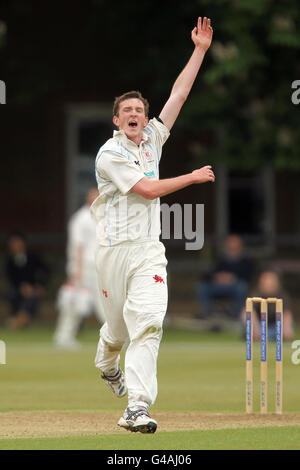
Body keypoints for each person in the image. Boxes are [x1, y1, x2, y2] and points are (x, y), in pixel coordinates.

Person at [90, 17, 214, 434]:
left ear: (146, 119)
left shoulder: (153, 140)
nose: (134, 115)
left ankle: (137, 406)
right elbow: (145, 190)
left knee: (149, 322)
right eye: (126, 111)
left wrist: (198, 50)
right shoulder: (110, 153)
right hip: (113, 251)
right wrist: (192, 177)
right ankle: (107, 364)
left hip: (146, 250)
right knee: (117, 331)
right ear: (116, 121)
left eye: (140, 110)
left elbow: (178, 96)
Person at [53, 187, 105, 349]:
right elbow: (77, 246)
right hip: (84, 267)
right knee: (73, 303)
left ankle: (115, 336)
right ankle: (63, 336)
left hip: (100, 265)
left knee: (105, 301)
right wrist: (76, 270)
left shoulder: (104, 216)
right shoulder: (80, 219)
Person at [196, 234, 254, 320]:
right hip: (218, 286)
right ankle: (207, 314)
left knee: (242, 287)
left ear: (240, 245)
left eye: (235, 243)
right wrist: (218, 277)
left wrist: (232, 278)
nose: (232, 245)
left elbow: (247, 277)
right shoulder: (220, 259)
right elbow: (208, 274)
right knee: (202, 287)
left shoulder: (246, 261)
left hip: (235, 286)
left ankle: (236, 315)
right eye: (230, 243)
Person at [4, 231, 50, 329]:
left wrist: (40, 285)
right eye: (12, 243)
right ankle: (19, 319)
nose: (14, 245)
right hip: (17, 289)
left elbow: (46, 271)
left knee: (33, 297)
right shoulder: (9, 261)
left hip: (34, 288)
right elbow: (10, 277)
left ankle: (18, 321)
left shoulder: (33, 257)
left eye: (16, 242)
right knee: (13, 295)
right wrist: (22, 286)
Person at [241, 270, 294, 341]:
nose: (268, 283)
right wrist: (256, 329)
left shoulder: (283, 295)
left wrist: (286, 328)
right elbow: (246, 312)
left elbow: (287, 314)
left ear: (276, 282)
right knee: (250, 328)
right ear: (260, 282)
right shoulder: (255, 294)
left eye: (271, 280)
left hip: (276, 327)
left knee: (286, 332)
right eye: (266, 280)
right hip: (259, 327)